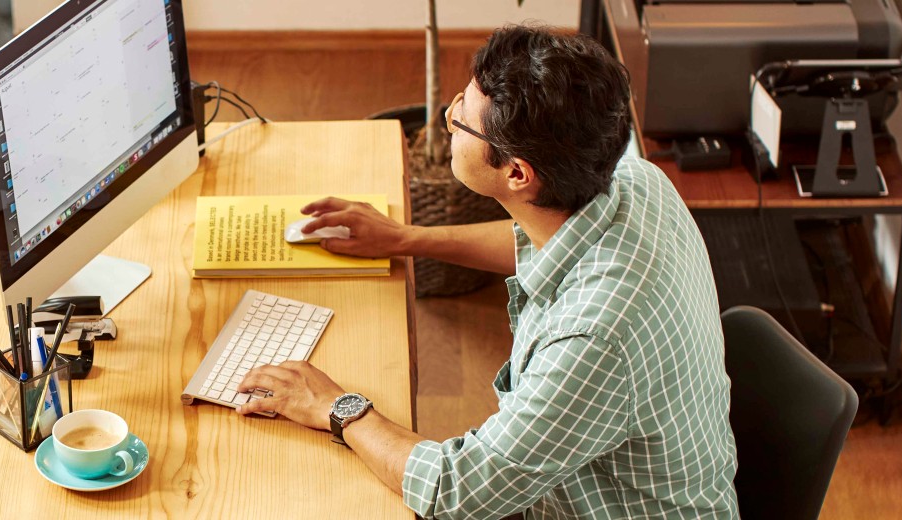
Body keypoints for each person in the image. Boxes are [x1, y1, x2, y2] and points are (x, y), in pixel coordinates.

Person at [236, 25, 739, 519]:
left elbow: (459, 493)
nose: (448, 116)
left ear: (517, 173)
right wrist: (405, 239)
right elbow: (540, 244)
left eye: (464, 117)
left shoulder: (594, 338)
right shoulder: (633, 179)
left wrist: (334, 407)